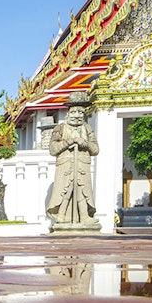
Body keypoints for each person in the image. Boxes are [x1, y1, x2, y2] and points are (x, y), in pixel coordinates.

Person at [46, 91, 100, 226]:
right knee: (65, 190)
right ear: (68, 113)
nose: (77, 116)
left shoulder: (87, 129)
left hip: (82, 164)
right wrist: (69, 142)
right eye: (74, 112)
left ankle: (85, 217)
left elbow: (95, 149)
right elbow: (53, 149)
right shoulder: (60, 129)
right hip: (65, 164)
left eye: (81, 112)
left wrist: (85, 144)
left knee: (82, 190)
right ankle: (61, 215)